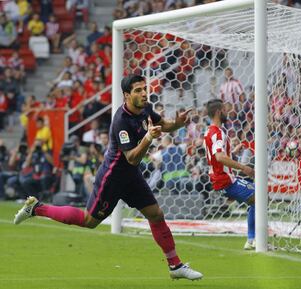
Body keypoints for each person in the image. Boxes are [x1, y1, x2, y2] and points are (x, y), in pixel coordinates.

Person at [13, 74, 203, 281]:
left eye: (144, 89)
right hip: (112, 178)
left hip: (131, 176)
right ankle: (37, 208)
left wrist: (177, 123)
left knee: (156, 214)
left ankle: (175, 266)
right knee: (89, 221)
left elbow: (162, 125)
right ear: (127, 95)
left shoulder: (145, 108)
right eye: (138, 90)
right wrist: (148, 138)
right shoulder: (121, 121)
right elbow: (131, 157)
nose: (143, 93)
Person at [203, 99, 256, 250]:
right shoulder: (217, 133)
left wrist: (232, 153)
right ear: (219, 112)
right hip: (224, 180)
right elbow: (219, 157)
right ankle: (254, 239)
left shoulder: (209, 131)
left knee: (256, 198)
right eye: (225, 110)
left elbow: (217, 157)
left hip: (223, 177)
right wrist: (244, 168)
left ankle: (252, 239)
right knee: (259, 198)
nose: (228, 113)